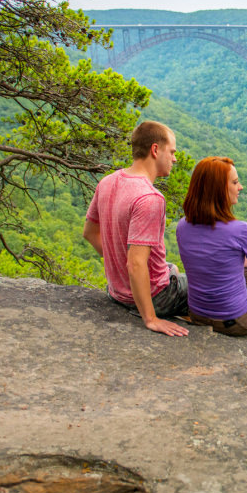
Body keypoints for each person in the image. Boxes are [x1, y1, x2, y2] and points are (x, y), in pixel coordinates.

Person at [83, 120, 190, 337]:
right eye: (172, 151)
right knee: (217, 284)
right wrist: (150, 319)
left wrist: (117, 264)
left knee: (172, 268)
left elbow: (89, 232)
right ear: (155, 149)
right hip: (155, 297)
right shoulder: (149, 198)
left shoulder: (108, 182)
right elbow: (136, 263)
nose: (175, 158)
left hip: (115, 292)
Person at [176, 156, 247, 336]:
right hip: (238, 322)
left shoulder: (182, 226)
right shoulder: (241, 230)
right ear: (219, 190)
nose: (240, 187)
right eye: (235, 182)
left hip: (197, 315)